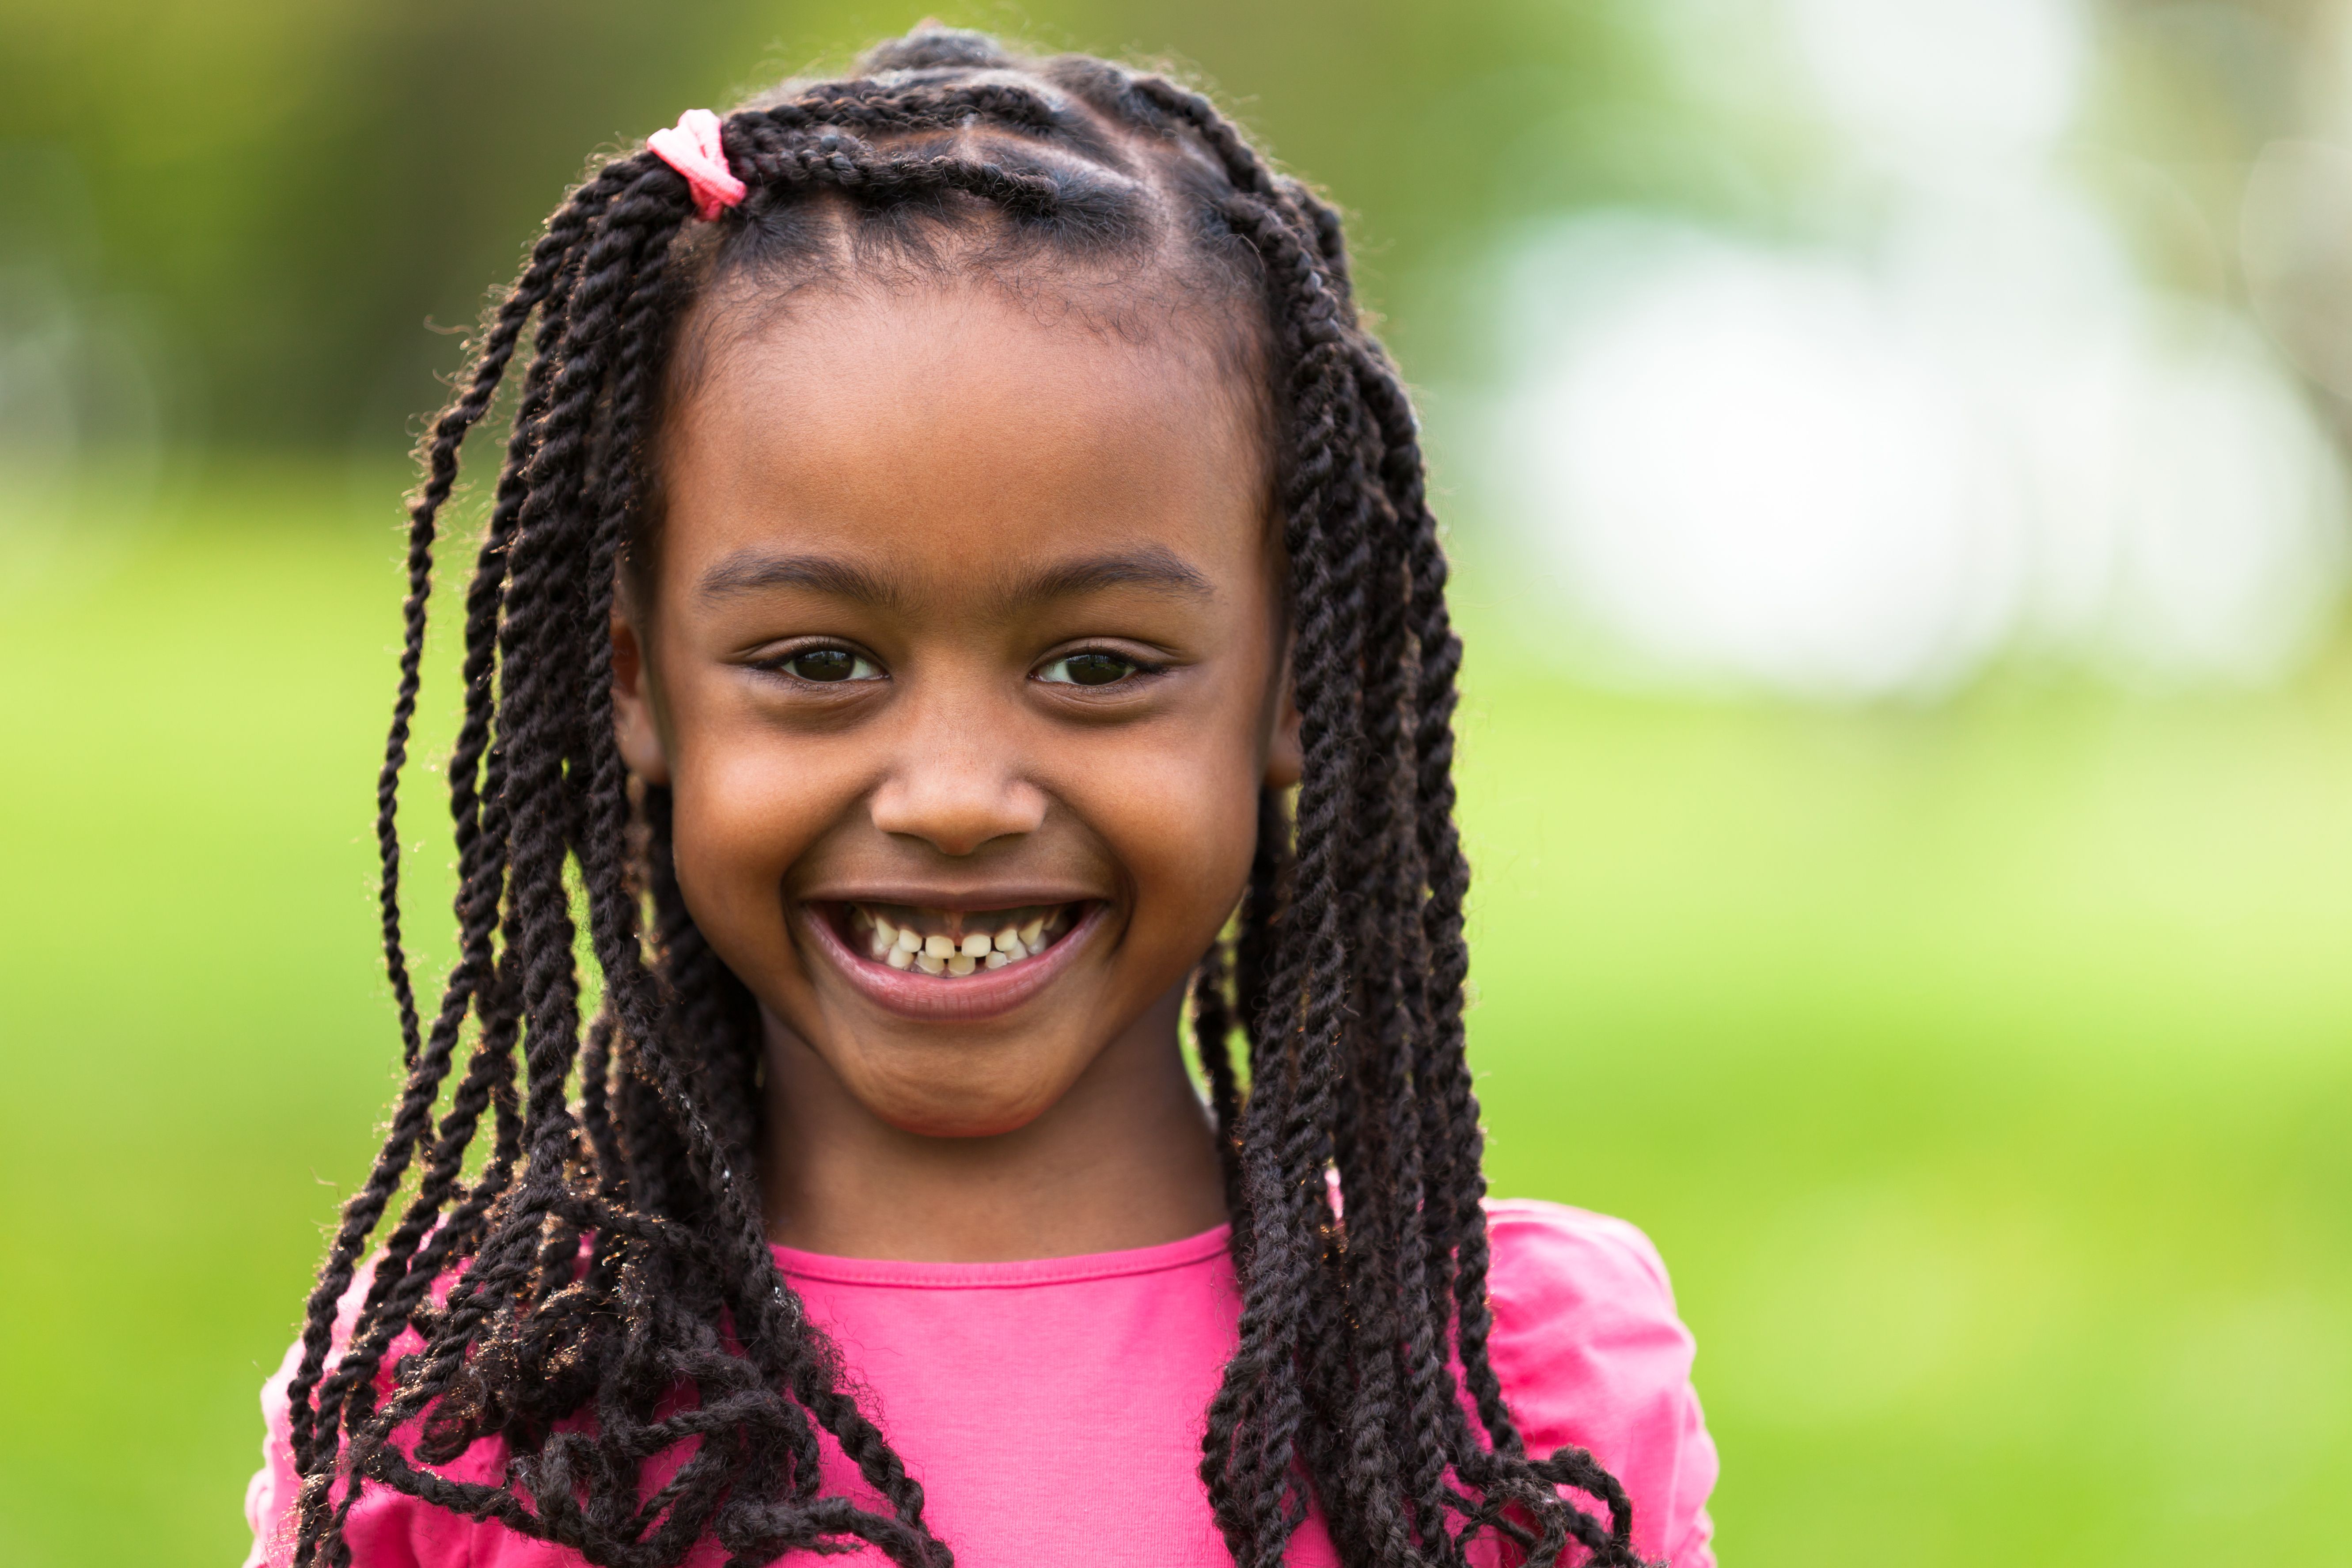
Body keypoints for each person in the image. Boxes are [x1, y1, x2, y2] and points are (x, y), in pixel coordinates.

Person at [240, 26, 1718, 1568]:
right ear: (636, 683)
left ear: (1293, 684)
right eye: (818, 661)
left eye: (1094, 667)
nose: (953, 798)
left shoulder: (1496, 1395)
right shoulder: (477, 1408)